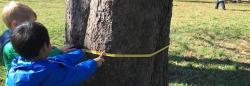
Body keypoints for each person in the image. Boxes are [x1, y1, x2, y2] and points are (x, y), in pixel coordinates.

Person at [6, 21, 105, 86]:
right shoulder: (47, 72)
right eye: (49, 42)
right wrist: (93, 63)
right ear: (44, 48)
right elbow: (73, 75)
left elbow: (56, 61)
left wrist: (79, 53)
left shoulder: (18, 66)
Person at [0, 1, 63, 72]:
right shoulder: (12, 46)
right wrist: (58, 51)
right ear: (15, 24)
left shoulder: (11, 34)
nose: (33, 26)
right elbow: (36, 57)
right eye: (31, 23)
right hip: (22, 77)